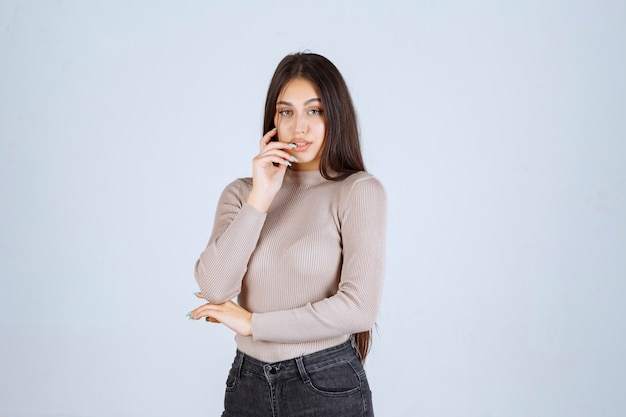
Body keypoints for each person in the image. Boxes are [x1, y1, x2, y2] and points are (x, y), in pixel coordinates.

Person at [188, 52, 386, 417]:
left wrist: (253, 323)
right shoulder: (242, 193)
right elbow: (216, 287)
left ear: (335, 116)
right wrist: (261, 196)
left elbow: (360, 307)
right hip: (246, 383)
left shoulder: (357, 190)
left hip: (324, 383)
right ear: (273, 120)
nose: (299, 127)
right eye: (286, 112)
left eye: (315, 111)